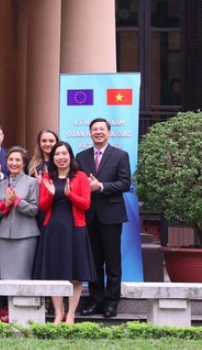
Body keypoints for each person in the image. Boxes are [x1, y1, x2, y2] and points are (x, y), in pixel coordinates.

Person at [34, 141, 96, 323]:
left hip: (75, 229)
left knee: (75, 275)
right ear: (52, 158)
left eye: (64, 154)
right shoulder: (47, 177)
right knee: (55, 272)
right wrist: (51, 194)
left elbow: (85, 204)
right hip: (53, 229)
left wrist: (70, 195)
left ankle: (71, 314)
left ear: (70, 156)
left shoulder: (81, 177)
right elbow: (42, 206)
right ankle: (58, 312)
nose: (61, 158)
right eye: (57, 155)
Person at [76, 118, 131, 319]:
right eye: (94, 129)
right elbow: (77, 182)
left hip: (111, 215)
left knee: (112, 260)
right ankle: (95, 300)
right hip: (88, 215)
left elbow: (125, 183)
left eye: (101, 129)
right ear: (90, 133)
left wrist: (101, 186)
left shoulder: (120, 156)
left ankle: (112, 301)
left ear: (109, 132)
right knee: (93, 261)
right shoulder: (81, 157)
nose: (98, 132)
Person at [0, 146, 39, 280]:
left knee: (22, 275)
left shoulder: (32, 182)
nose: (14, 163)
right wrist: (6, 204)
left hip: (25, 235)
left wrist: (17, 202)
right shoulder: (1, 184)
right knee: (6, 276)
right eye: (11, 159)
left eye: (18, 160)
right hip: (4, 235)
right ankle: (8, 302)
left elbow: (34, 209)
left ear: (24, 163)